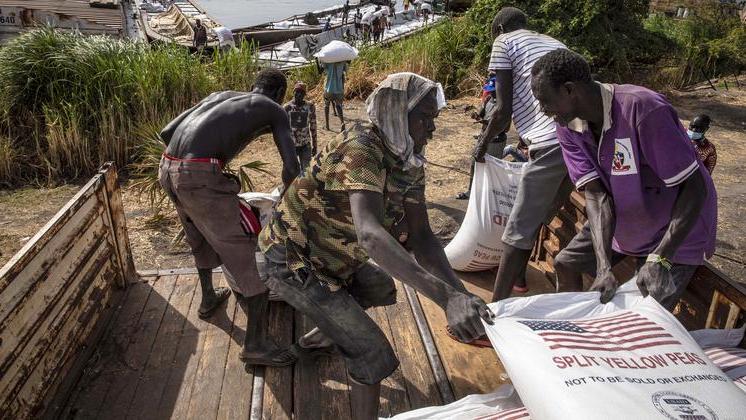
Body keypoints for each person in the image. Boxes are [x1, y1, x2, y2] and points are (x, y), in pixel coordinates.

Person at [258, 72, 493, 420]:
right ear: (396, 114)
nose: (432, 128)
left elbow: (423, 239)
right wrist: (446, 299)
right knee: (373, 354)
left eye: (434, 118)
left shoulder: (409, 159)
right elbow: (369, 234)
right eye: (424, 118)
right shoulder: (362, 147)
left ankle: (322, 336)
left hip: (333, 258)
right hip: (292, 260)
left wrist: (460, 296)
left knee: (381, 287)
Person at [531, 49, 717, 310]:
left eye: (545, 101)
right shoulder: (567, 126)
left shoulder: (643, 109)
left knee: (645, 306)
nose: (543, 110)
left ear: (569, 90)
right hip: (627, 218)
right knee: (566, 263)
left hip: (676, 228)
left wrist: (659, 258)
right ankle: (570, 325)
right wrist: (603, 267)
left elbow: (694, 188)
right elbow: (597, 195)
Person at [158, 68, 300, 365]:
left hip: (168, 169)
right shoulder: (274, 109)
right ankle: (256, 345)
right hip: (197, 176)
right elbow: (291, 168)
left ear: (253, 86)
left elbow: (167, 133)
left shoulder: (219, 96)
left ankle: (208, 299)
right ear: (279, 94)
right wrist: (291, 202)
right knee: (244, 248)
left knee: (199, 235)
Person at [474, 7, 569, 306]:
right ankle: (518, 279)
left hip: (551, 141)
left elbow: (502, 111)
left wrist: (482, 144)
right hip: (579, 142)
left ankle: (495, 310)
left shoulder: (504, 42)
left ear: (500, 29)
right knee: (534, 216)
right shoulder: (554, 42)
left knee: (517, 227)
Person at [456, 75, 506, 201]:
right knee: (475, 162)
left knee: (492, 168)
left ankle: (490, 196)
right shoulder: (488, 99)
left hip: (496, 140)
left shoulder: (504, 105)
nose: (491, 93)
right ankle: (471, 191)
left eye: (493, 91)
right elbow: (481, 114)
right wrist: (475, 115)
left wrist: (486, 123)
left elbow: (505, 127)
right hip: (483, 137)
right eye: (490, 91)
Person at [283, 82, 318, 171]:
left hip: (305, 145)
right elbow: (283, 129)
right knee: (291, 171)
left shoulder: (310, 106)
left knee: (306, 172)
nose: (299, 94)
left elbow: (313, 127)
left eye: (302, 92)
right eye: (297, 91)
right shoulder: (287, 108)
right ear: (293, 92)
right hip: (291, 146)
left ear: (305, 94)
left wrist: (315, 145)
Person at [320, 60, 348, 131]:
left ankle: (327, 126)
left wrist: (320, 61)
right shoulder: (342, 60)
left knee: (326, 105)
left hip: (329, 88)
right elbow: (345, 71)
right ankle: (342, 122)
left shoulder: (327, 59)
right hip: (339, 89)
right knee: (338, 105)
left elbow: (322, 70)